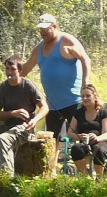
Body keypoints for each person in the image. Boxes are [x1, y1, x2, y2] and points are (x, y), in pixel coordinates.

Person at [21, 13, 92, 162]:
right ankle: (51, 169)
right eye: (41, 30)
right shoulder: (38, 48)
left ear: (54, 26)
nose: (43, 32)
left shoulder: (66, 40)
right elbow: (25, 69)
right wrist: (13, 76)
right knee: (52, 139)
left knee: (82, 134)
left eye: (46, 29)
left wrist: (85, 80)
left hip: (74, 100)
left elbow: (85, 58)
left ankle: (86, 167)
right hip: (53, 104)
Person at [65, 84, 107, 176]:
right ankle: (86, 176)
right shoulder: (78, 113)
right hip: (84, 143)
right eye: (82, 96)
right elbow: (70, 133)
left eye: (88, 96)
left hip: (100, 142)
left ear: (95, 97)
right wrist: (79, 136)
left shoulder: (104, 113)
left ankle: (99, 178)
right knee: (76, 148)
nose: (85, 98)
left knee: (98, 149)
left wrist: (97, 138)